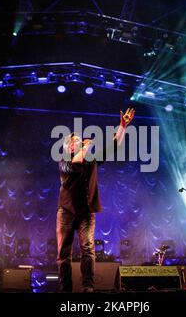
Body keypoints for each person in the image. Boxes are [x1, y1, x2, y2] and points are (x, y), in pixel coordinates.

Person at [56, 108, 135, 292]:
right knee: (63, 253)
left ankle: (88, 286)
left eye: (79, 140)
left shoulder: (91, 159)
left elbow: (114, 146)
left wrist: (122, 127)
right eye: (74, 141)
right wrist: (85, 146)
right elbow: (76, 162)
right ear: (68, 147)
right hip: (66, 211)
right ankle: (65, 288)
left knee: (88, 249)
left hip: (86, 211)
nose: (78, 142)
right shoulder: (64, 160)